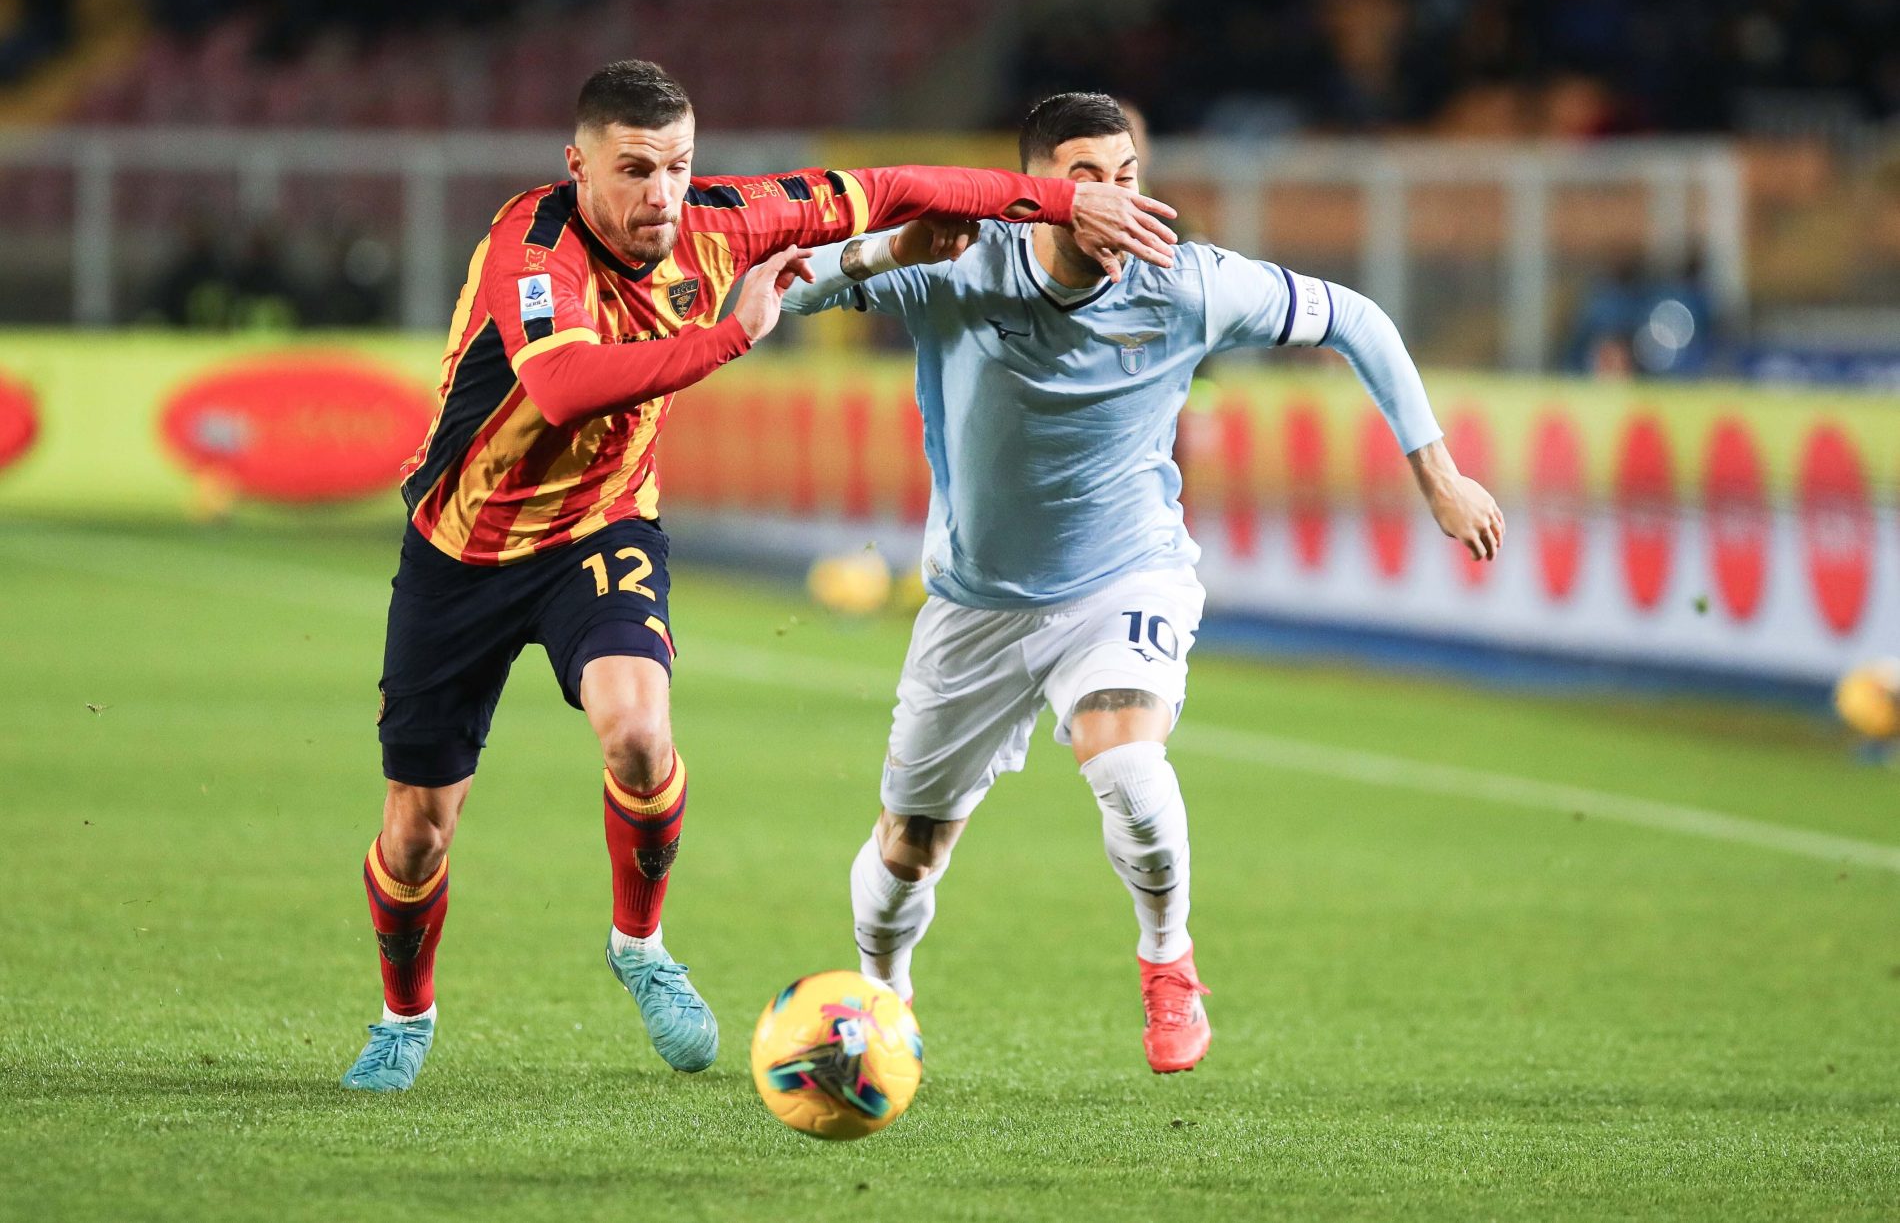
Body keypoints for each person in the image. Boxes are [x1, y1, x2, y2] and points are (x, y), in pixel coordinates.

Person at [343, 62, 1178, 1092]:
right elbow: (562, 385)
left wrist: (1060, 200)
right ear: (578, 167)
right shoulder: (533, 244)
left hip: (600, 529)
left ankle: (640, 946)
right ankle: (405, 1015)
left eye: (678, 166)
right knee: (417, 832)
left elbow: (897, 186)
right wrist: (730, 335)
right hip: (461, 550)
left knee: (638, 733)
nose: (662, 193)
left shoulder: (725, 218)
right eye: (635, 169)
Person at [781, 92, 1503, 1073]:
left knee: (1125, 763)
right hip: (977, 603)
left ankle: (1167, 960)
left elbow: (1358, 321)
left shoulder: (1186, 281)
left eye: (1126, 176)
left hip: (1123, 580)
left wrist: (1440, 475)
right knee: (908, 848)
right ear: (1033, 190)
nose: (1114, 198)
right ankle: (882, 996)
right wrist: (887, 252)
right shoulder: (959, 263)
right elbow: (790, 289)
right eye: (1085, 179)